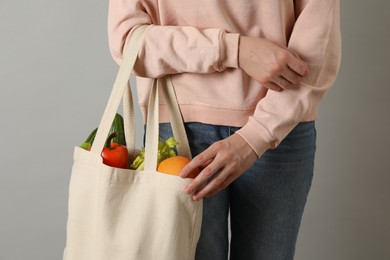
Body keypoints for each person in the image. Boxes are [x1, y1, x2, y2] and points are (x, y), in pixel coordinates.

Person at [108, 0, 341, 259]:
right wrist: (235, 50)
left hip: (281, 126)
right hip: (180, 129)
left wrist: (257, 135)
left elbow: (318, 39)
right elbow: (127, 41)